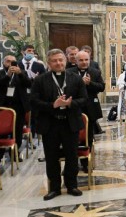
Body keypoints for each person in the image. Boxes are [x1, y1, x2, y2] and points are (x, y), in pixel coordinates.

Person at [31, 49, 88, 200]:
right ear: (48, 63)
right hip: (50, 123)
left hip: (70, 123)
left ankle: (72, 185)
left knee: (72, 155)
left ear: (65, 61)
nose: (58, 63)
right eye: (54, 60)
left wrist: (70, 103)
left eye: (61, 60)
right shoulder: (40, 80)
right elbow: (34, 101)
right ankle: (54, 188)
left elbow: (84, 99)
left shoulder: (75, 78)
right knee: (51, 157)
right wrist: (53, 105)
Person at [0, 54, 31, 157]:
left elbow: (29, 84)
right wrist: (7, 76)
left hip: (18, 106)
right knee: (1, 132)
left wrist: (20, 74)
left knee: (17, 131)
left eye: (12, 62)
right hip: (1, 106)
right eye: (8, 61)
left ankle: (14, 154)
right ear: (3, 63)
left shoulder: (22, 73)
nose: (10, 64)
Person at [70, 50, 105, 164]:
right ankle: (73, 161)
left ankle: (86, 162)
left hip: (90, 107)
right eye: (81, 60)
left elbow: (101, 87)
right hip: (74, 107)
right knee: (74, 136)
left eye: (86, 60)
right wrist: (80, 83)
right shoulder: (69, 72)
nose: (84, 62)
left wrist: (90, 83)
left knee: (89, 136)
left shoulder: (95, 72)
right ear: (76, 61)